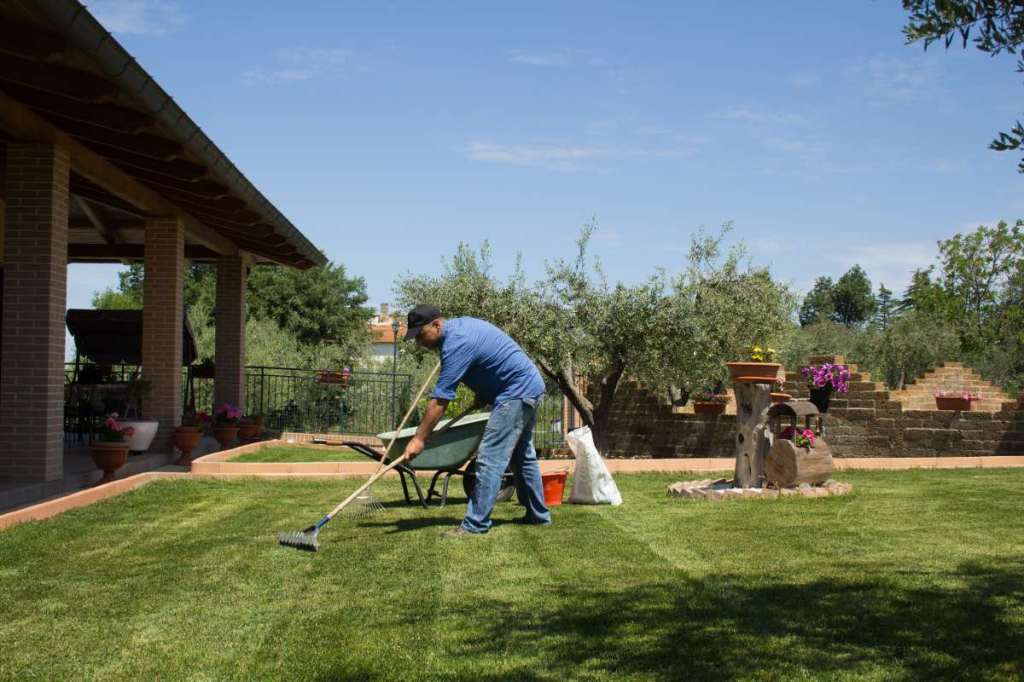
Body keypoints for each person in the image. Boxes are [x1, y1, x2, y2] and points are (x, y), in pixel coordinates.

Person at [401, 304, 551, 537]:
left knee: (490, 457)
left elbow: (440, 399)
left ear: (437, 324)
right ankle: (538, 516)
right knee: (522, 456)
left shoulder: (456, 343)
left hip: (516, 392)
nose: (419, 342)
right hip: (526, 387)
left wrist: (419, 439)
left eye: (421, 335)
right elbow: (489, 360)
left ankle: (475, 524)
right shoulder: (458, 331)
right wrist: (485, 393)